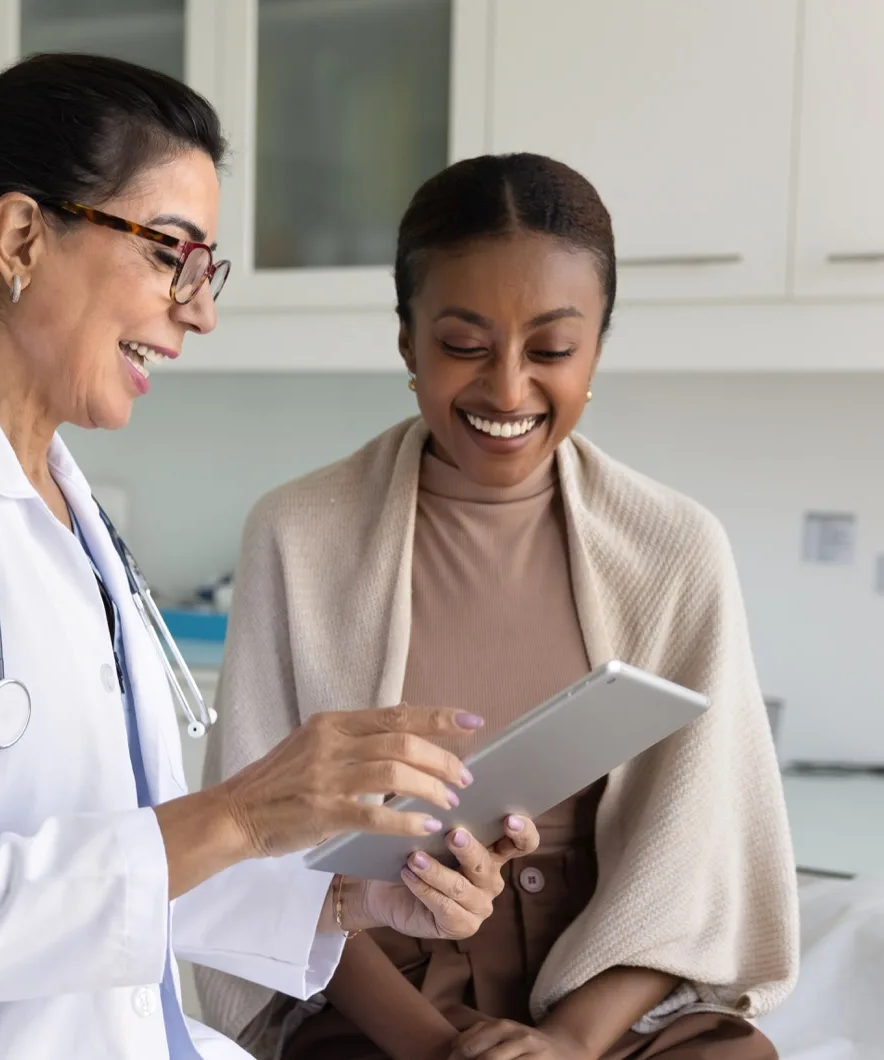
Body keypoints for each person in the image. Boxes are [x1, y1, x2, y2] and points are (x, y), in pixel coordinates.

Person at [0, 58, 542, 1060]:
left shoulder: (70, 513)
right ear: (21, 236)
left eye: (203, 270)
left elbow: (120, 860)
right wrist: (244, 811)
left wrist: (353, 895)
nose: (198, 311)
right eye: (171, 254)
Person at [196, 153, 799, 1060]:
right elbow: (261, 864)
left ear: (596, 346)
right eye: (464, 345)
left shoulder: (677, 550)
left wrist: (564, 1043)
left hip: (608, 988)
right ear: (407, 342)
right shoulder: (297, 535)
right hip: (378, 989)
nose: (508, 390)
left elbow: (700, 871)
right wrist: (438, 1047)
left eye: (552, 350)